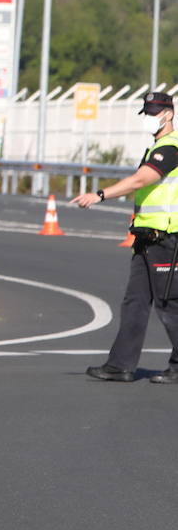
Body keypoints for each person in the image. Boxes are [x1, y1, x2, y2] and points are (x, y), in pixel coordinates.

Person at [70, 90, 178, 384]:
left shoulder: (169, 148)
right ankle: (120, 365)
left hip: (167, 238)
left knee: (169, 304)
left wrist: (100, 195)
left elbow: (141, 180)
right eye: (147, 113)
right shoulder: (156, 147)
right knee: (134, 302)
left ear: (168, 114)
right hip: (146, 238)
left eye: (154, 113)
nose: (149, 119)